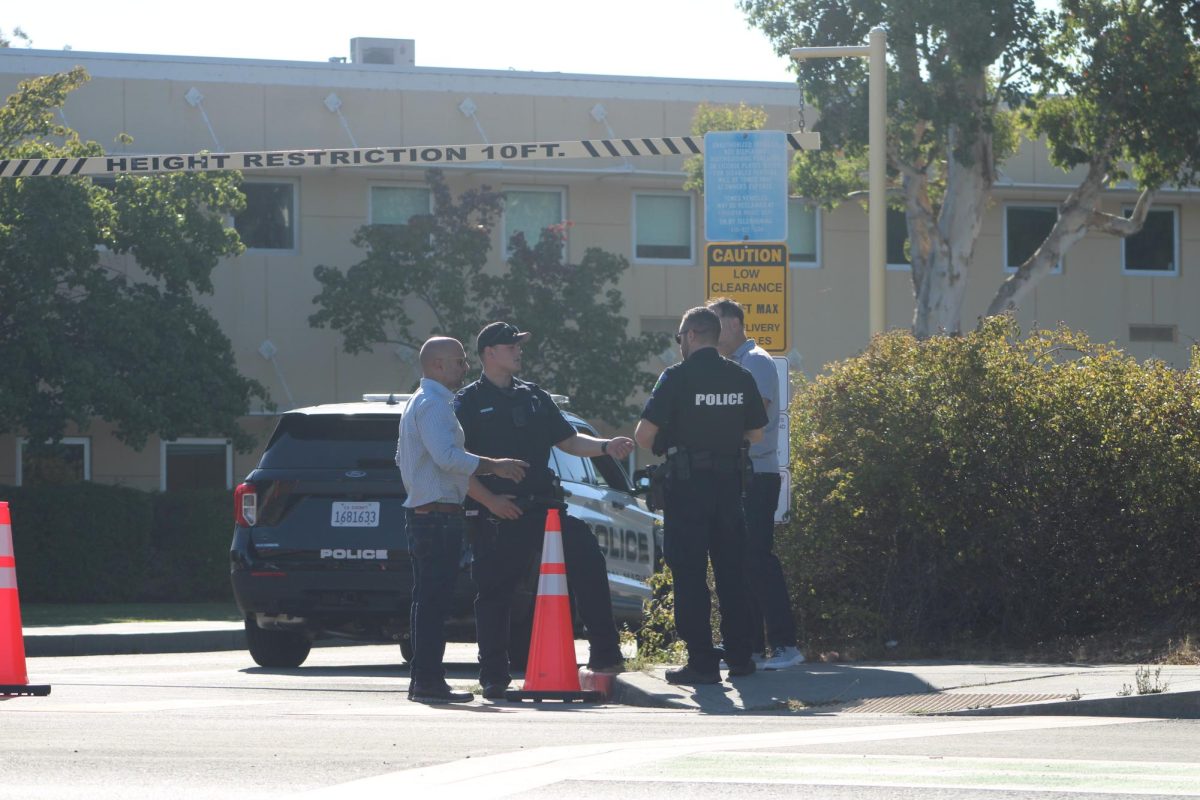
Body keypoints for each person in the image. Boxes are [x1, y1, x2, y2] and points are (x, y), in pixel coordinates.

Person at [456, 321, 633, 699]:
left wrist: (606, 446)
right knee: (495, 591)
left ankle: (605, 654)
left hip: (545, 510)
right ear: (489, 352)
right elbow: (456, 463)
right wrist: (491, 501)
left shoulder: (534, 397)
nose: (519, 351)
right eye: (511, 345)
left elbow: (568, 440)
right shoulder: (467, 403)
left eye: (519, 344)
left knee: (587, 555)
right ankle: (494, 677)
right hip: (497, 511)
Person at [634, 306, 768, 685]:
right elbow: (756, 433)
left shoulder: (676, 378)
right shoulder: (740, 376)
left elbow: (644, 436)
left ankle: (702, 663)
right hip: (729, 488)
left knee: (690, 576)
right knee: (732, 573)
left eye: (679, 338)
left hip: (688, 489)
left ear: (691, 335)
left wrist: (673, 440)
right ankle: (741, 657)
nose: (679, 345)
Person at [396, 336, 530, 704]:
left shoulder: (418, 402)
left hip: (428, 513)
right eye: (458, 361)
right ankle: (427, 680)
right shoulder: (435, 405)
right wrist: (494, 466)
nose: (464, 367)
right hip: (436, 515)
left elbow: (407, 458)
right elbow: (447, 456)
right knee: (433, 601)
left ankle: (424, 679)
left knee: (427, 600)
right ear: (437, 365)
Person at [708, 298, 805, 670]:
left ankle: (786, 646)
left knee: (758, 560)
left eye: (716, 325)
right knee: (740, 562)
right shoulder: (732, 366)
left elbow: (756, 419)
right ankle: (747, 648)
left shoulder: (757, 363)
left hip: (757, 476)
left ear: (733, 324)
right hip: (736, 476)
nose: (712, 335)